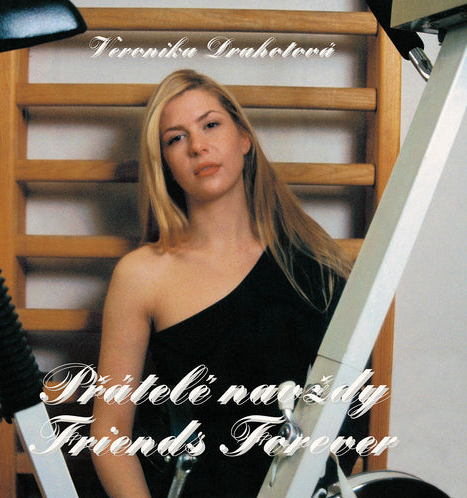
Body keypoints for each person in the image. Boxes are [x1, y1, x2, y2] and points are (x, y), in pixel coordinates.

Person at [91, 69, 360, 497]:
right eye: (175, 139)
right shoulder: (140, 275)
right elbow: (109, 437)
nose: (197, 146)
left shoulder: (315, 264)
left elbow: (350, 416)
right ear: (165, 163)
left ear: (244, 139)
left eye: (211, 125)